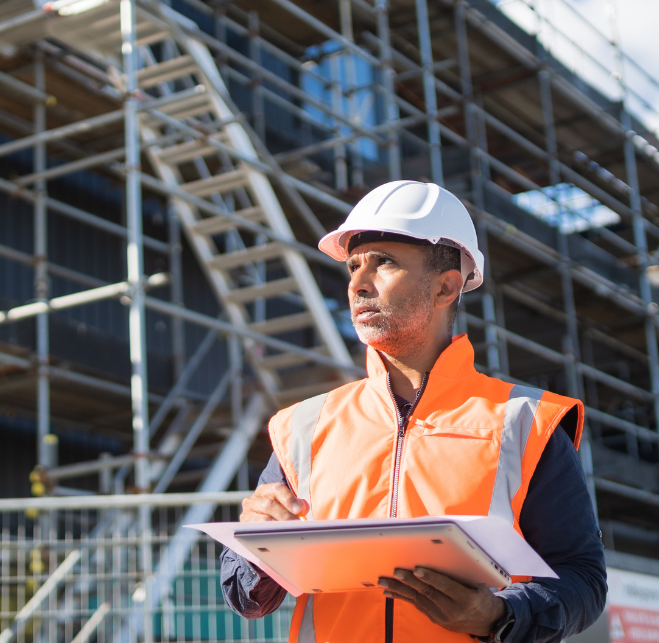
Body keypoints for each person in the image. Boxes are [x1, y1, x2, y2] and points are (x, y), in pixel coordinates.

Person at [220, 181, 606, 642]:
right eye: (353, 266)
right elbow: (244, 597)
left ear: (446, 286)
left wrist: (496, 615)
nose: (358, 283)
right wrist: (254, 545)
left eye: (383, 263)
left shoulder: (526, 422)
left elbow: (583, 579)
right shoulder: (303, 426)